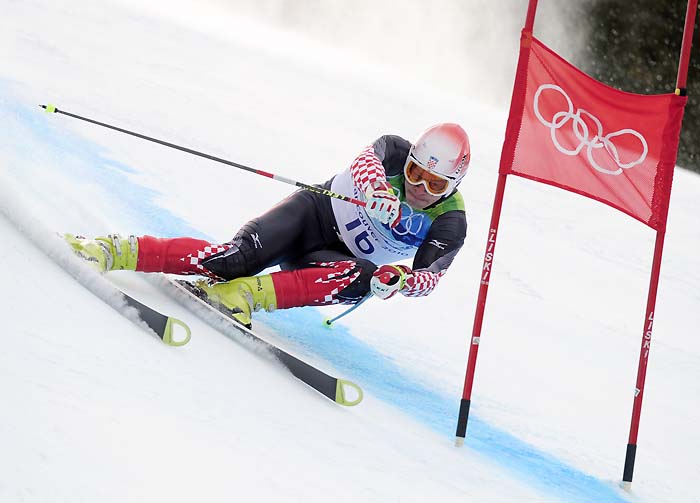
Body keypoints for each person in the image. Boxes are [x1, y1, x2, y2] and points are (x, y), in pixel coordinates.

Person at [68, 123, 471, 328]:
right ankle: (116, 248)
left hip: (332, 262)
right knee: (233, 258)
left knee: (365, 278)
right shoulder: (393, 150)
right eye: (415, 173)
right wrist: (377, 192)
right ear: (411, 158)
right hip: (311, 215)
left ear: (452, 184)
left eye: (435, 184)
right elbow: (365, 162)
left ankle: (242, 296)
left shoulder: (450, 222)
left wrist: (398, 280)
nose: (419, 187)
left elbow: (428, 279)